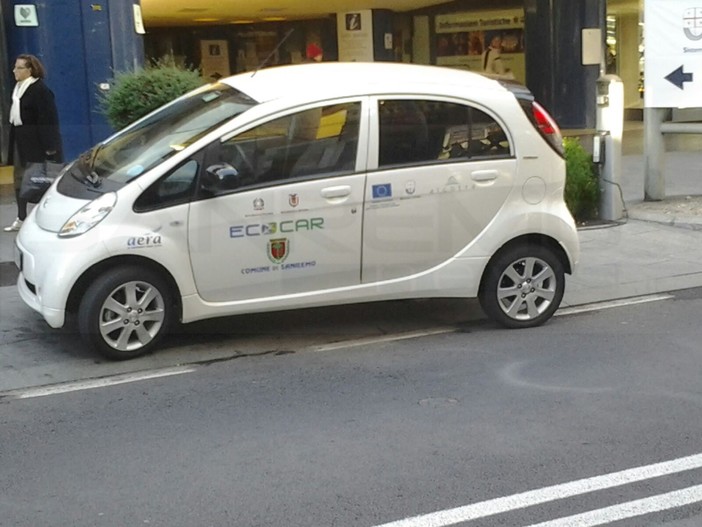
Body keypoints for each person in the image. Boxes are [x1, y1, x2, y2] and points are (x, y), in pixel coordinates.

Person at [4, 54, 63, 232]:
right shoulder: (17, 90)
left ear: (30, 70)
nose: (14, 70)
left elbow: (48, 119)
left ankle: (47, 218)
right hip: (21, 143)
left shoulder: (40, 90)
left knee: (40, 181)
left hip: (37, 144)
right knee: (20, 180)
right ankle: (21, 216)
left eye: (19, 67)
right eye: (15, 67)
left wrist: (50, 147)